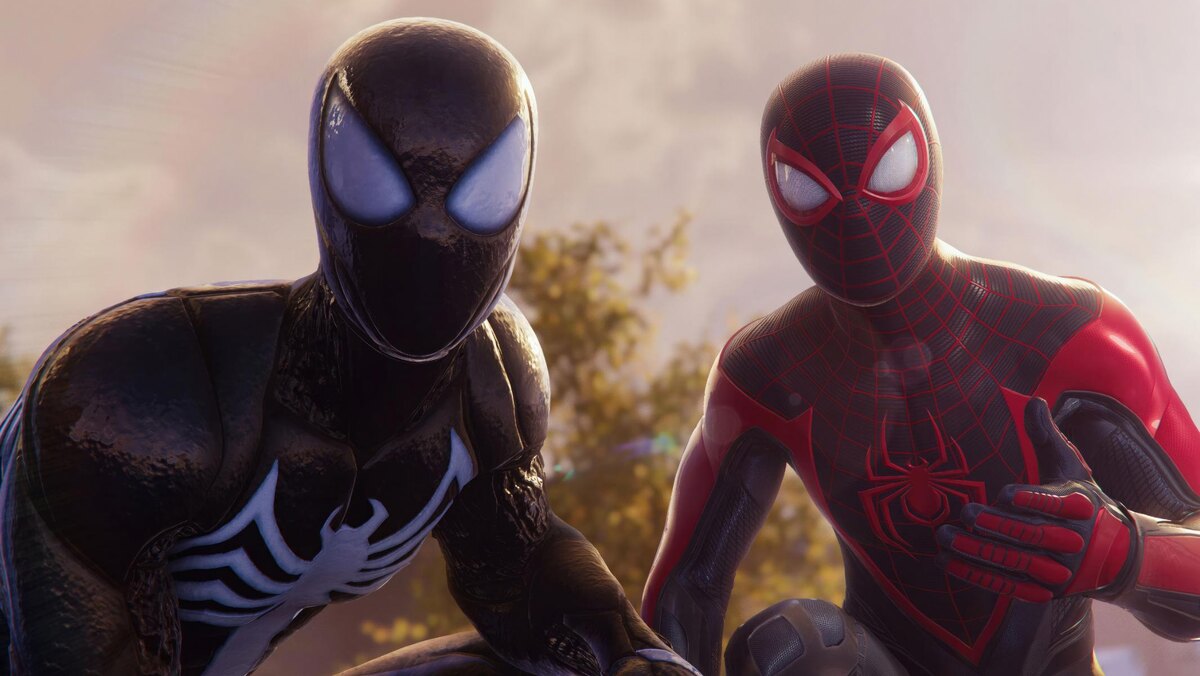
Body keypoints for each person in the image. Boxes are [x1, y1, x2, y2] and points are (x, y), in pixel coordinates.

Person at [0, 18, 696, 676]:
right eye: (383, 182)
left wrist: (631, 653)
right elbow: (59, 641)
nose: (432, 235)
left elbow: (518, 573)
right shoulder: (145, 389)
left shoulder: (493, 381)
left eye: (477, 192)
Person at [642, 53, 1200, 675]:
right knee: (790, 651)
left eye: (885, 169)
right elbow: (684, 594)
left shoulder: (1073, 332)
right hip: (890, 662)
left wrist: (1125, 553)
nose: (855, 212)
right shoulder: (762, 374)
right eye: (811, 188)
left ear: (927, 154)